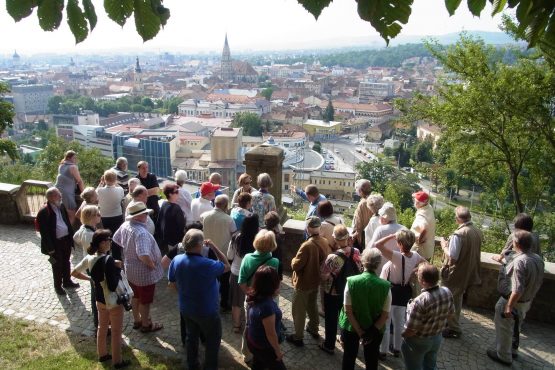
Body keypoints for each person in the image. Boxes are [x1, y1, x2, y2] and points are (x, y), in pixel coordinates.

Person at [168, 229, 230, 370]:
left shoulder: (177, 260)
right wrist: (214, 246)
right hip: (207, 311)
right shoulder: (207, 264)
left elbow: (171, 283)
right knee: (212, 341)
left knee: (191, 337)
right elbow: (227, 266)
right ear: (199, 245)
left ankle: (192, 365)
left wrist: (184, 293)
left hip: (186, 308)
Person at [71, 229, 130, 369]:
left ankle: (102, 354)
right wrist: (116, 269)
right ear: (103, 243)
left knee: (101, 327)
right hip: (113, 301)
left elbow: (74, 272)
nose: (110, 242)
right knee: (116, 332)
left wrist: (91, 279)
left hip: (99, 299)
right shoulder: (109, 260)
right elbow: (113, 284)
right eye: (109, 240)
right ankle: (117, 361)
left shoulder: (89, 258)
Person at [487, 230, 544, 366]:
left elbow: (517, 288)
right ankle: (513, 350)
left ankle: (504, 356)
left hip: (514, 301)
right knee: (517, 325)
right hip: (527, 301)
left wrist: (508, 306)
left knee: (505, 327)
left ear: (516, 243)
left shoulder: (520, 261)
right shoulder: (537, 259)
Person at [373, 229, 425, 360]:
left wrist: (391, 235)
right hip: (404, 292)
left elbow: (377, 245)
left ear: (400, 243)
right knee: (399, 322)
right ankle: (397, 348)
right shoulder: (415, 256)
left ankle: (383, 351)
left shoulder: (397, 256)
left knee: (385, 322)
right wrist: (413, 270)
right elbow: (426, 264)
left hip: (391, 292)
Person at [113, 202, 164, 333]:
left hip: (130, 269)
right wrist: (152, 265)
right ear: (139, 216)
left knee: (135, 296)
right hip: (143, 272)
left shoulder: (125, 225)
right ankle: (146, 324)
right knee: (145, 300)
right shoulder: (141, 232)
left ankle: (137, 320)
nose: (147, 215)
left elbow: (116, 238)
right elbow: (143, 255)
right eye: (145, 213)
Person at [338, 248, 391, 370]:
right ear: (378, 264)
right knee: (372, 360)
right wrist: (370, 332)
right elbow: (385, 315)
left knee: (349, 358)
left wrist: (360, 331)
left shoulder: (351, 281)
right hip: (374, 328)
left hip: (351, 327)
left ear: (362, 261)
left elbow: (348, 310)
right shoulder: (386, 286)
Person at [239, 229, 281, 364]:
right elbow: (275, 285)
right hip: (268, 300)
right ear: (272, 244)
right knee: (270, 326)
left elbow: (241, 281)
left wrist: (248, 293)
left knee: (249, 324)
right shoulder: (274, 261)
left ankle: (246, 353)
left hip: (251, 300)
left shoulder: (247, 257)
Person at [440, 206, 483, 339]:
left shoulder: (459, 234)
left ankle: (453, 328)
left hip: (456, 273)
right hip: (468, 270)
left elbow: (452, 258)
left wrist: (444, 245)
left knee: (449, 298)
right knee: (457, 298)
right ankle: (452, 324)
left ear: (458, 218)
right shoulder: (476, 231)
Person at [402, 264, 455, 370]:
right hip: (437, 338)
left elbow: (411, 330)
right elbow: (450, 314)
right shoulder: (447, 291)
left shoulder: (419, 301)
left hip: (418, 341)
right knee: (430, 366)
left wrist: (402, 335)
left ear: (422, 281)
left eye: (418, 274)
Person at [319, 224, 363, 355]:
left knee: (331, 318)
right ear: (348, 237)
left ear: (335, 239)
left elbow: (323, 276)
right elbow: (360, 269)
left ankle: (329, 345)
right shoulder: (356, 252)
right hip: (350, 291)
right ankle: (344, 339)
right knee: (347, 316)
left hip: (333, 292)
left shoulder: (332, 258)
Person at [286, 216, 327, 347]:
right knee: (312, 305)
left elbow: (296, 266)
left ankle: (298, 337)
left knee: (298, 310)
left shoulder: (307, 245)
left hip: (303, 282)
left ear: (308, 229)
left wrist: (292, 260)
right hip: (316, 281)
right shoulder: (324, 241)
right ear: (319, 228)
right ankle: (314, 328)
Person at [36, 187, 80, 296]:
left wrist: (71, 238)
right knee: (57, 265)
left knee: (66, 262)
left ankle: (67, 281)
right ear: (50, 197)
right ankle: (58, 286)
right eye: (57, 195)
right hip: (55, 243)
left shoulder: (61, 206)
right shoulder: (44, 212)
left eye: (59, 194)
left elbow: (66, 222)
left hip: (65, 240)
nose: (60, 196)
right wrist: (50, 249)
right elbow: (44, 233)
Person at [246, 266, 287, 370]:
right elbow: (271, 334)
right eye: (277, 282)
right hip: (264, 347)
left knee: (258, 364)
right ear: (272, 286)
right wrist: (278, 352)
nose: (280, 284)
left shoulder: (254, 295)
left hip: (252, 340)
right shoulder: (267, 307)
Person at [201, 194, 237, 312]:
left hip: (208, 252)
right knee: (225, 280)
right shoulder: (228, 219)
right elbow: (234, 236)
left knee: (210, 278)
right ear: (226, 205)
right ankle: (224, 303)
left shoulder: (205, 216)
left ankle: (209, 300)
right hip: (224, 253)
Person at [227, 214, 260, 333]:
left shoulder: (236, 238)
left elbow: (229, 256)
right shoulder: (259, 239)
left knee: (236, 302)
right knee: (253, 300)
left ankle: (236, 325)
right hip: (254, 274)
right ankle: (250, 323)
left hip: (236, 272)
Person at [72, 205, 102, 331]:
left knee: (95, 293)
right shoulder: (91, 234)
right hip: (94, 265)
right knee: (97, 295)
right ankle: (98, 323)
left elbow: (75, 238)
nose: (100, 215)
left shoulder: (83, 229)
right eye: (97, 214)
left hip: (89, 262)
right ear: (91, 217)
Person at [368, 202, 407, 275]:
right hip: (397, 268)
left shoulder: (381, 229)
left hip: (380, 267)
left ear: (384, 218)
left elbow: (371, 248)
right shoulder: (404, 229)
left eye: (381, 216)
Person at [97, 169, 125, 260]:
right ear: (116, 179)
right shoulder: (120, 190)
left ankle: (106, 257)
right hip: (117, 216)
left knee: (105, 238)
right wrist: (115, 182)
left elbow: (95, 193)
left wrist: (102, 182)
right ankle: (117, 259)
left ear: (104, 179)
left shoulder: (100, 191)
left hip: (105, 217)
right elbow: (121, 195)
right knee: (116, 238)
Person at [54, 150, 84, 225]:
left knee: (60, 214)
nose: (76, 160)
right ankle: (67, 233)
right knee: (72, 215)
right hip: (67, 193)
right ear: (69, 158)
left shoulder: (61, 165)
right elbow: (79, 181)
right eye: (74, 158)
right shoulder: (73, 167)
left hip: (57, 190)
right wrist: (84, 193)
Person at [155, 183, 185, 255]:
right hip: (174, 242)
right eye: (176, 192)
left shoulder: (164, 204)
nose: (178, 194)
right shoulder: (176, 208)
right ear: (170, 194)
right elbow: (181, 226)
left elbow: (159, 222)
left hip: (165, 241)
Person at [410, 191, 436, 261]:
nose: (414, 202)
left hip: (419, 252)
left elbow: (424, 229)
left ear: (418, 203)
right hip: (428, 250)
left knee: (417, 271)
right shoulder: (429, 207)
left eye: (415, 201)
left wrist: (419, 240)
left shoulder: (421, 215)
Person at [351, 179, 373, 251]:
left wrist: (355, 237)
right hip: (370, 235)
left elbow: (359, 224)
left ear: (360, 190)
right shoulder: (373, 199)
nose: (356, 190)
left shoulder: (363, 203)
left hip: (363, 237)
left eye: (357, 188)